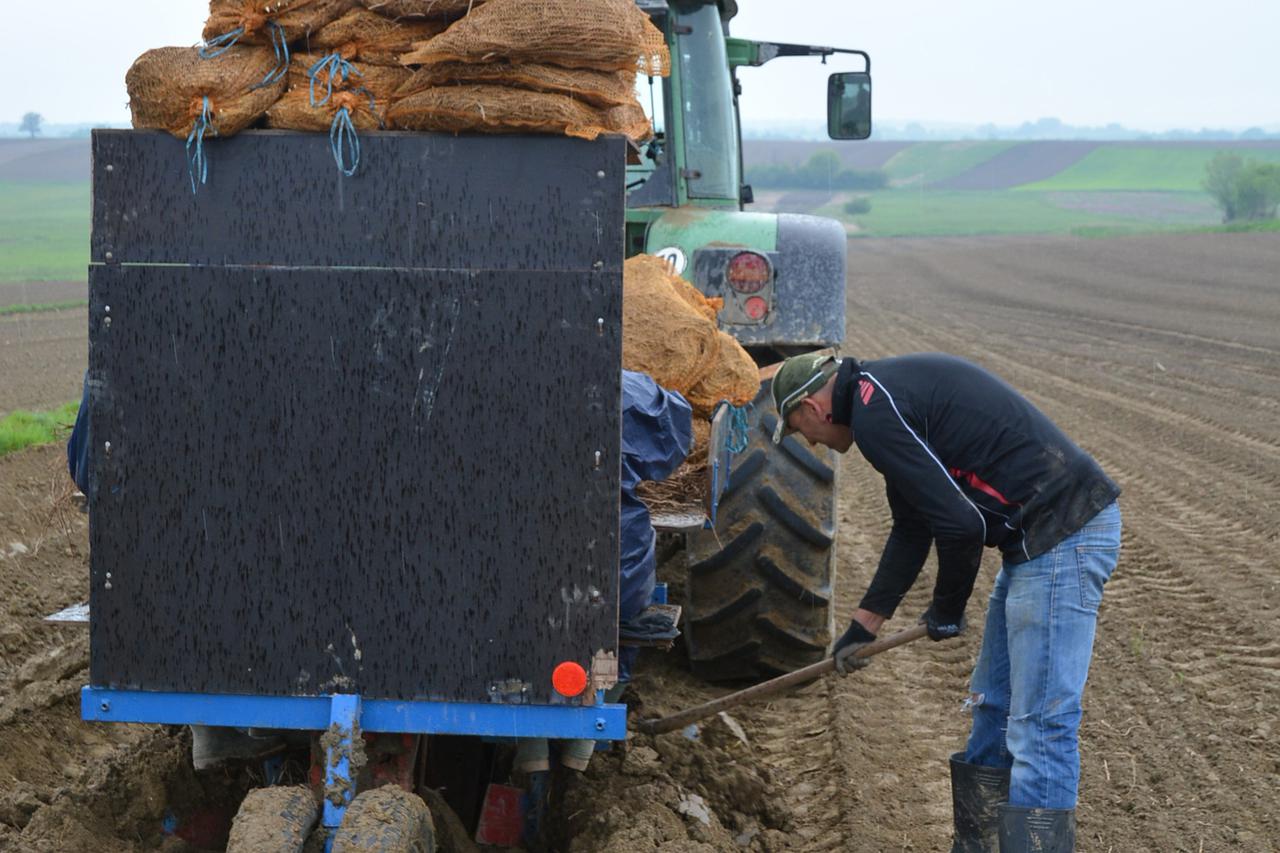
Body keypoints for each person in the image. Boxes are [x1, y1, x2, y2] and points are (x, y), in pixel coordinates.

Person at [771, 352, 1121, 853]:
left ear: (812, 406)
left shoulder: (874, 411)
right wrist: (863, 626)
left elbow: (962, 527)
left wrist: (947, 610)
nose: (807, 439)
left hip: (1066, 535)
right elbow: (913, 525)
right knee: (994, 707)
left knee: (1040, 726)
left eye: (797, 426)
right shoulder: (877, 400)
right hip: (1036, 544)